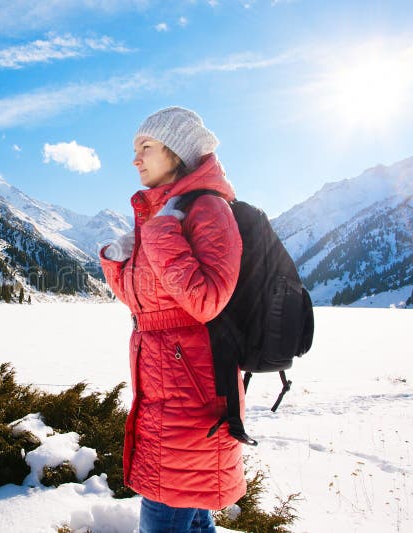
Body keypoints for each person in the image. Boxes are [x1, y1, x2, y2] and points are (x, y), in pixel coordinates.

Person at [99, 107, 246, 533]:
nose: (136, 159)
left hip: (193, 394)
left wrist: (160, 237)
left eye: (146, 147)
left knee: (164, 514)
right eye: (134, 149)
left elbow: (206, 301)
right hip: (165, 387)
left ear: (177, 153)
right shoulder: (164, 211)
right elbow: (145, 307)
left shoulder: (206, 209)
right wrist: (117, 261)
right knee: (189, 515)